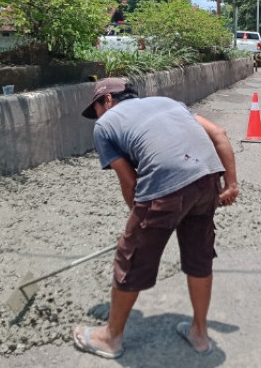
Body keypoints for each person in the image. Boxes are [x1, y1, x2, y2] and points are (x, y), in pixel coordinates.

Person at [73, 77, 239, 359]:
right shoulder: (168, 102)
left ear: (108, 100)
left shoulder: (105, 126)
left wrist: (135, 230)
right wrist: (231, 184)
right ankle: (199, 333)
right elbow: (220, 134)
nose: (97, 116)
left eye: (97, 108)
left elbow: (130, 183)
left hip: (167, 186)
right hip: (207, 178)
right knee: (199, 256)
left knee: (131, 258)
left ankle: (111, 338)